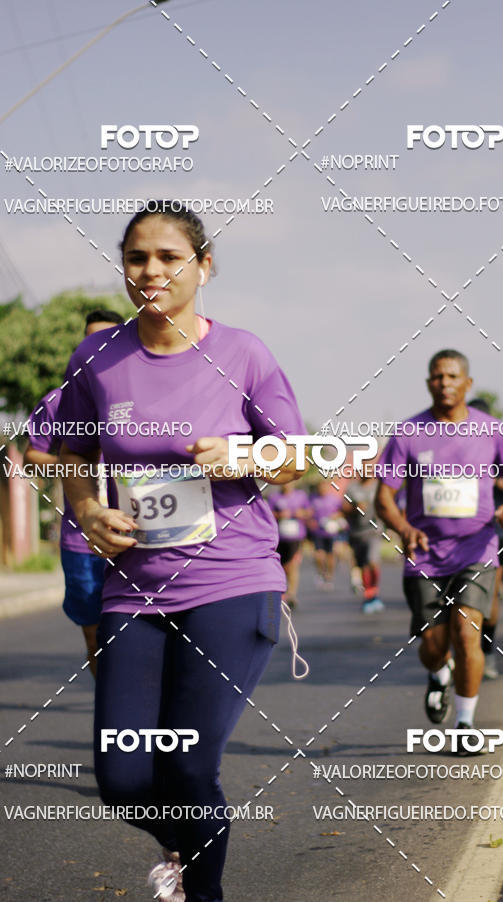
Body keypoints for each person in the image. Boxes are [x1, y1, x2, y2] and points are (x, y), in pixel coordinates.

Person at [56, 202, 305, 902]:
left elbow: (294, 457)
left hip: (232, 580)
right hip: (134, 589)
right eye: (138, 258)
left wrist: (243, 455)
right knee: (125, 776)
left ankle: (202, 893)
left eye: (170, 257)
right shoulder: (98, 358)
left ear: (204, 265)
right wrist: (85, 508)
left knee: (191, 768)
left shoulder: (244, 353)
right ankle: (188, 843)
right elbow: (73, 450)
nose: (152, 271)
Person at [375, 350, 503, 754]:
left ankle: (464, 724)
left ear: (468, 383)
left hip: (477, 550)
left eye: (451, 376)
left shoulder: (493, 431)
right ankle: (439, 672)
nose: (444, 382)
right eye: (436, 376)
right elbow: (384, 499)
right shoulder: (408, 434)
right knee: (432, 647)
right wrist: (405, 528)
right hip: (424, 556)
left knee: (468, 633)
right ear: (428, 383)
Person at [24, 309, 124, 677]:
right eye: (91, 338)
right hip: (81, 538)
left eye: (110, 338)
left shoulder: (141, 394)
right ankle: (109, 704)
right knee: (95, 632)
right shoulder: (57, 401)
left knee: (144, 628)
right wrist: (76, 466)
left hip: (139, 533)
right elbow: (32, 455)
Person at [467, 397, 503, 679]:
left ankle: (487, 650)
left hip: (493, 529)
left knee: (490, 592)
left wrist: (492, 478)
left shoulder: (498, 443)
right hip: (453, 529)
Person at [343, 474, 384, 613]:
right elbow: (344, 509)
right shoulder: (352, 488)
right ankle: (368, 595)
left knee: (372, 560)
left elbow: (387, 504)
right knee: (362, 565)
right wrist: (355, 508)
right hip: (357, 533)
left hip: (374, 531)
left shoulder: (378, 487)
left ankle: (372, 593)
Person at [268, 482, 310, 608]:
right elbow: (268, 513)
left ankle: (291, 594)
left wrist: (300, 513)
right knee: (281, 566)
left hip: (296, 537)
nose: (287, 485)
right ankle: (283, 590)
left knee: (293, 565)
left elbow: (309, 512)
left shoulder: (301, 496)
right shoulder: (274, 497)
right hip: (279, 537)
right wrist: (279, 515)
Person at [308, 480, 344, 587]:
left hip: (331, 532)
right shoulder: (313, 498)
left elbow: (342, 512)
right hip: (318, 531)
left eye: (324, 487)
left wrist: (335, 516)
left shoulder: (334, 499)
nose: (322, 489)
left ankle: (329, 576)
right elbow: (308, 512)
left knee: (331, 555)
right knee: (319, 556)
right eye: (320, 487)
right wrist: (310, 521)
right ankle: (321, 572)